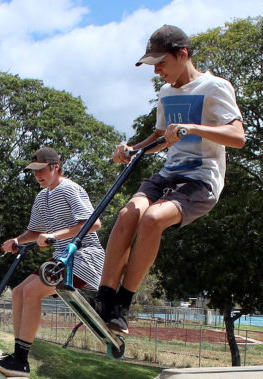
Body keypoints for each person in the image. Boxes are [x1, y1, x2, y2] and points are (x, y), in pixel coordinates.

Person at [94, 24, 245, 334]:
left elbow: (237, 136)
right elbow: (162, 137)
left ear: (182, 54)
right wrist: (132, 150)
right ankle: (104, 299)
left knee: (152, 218)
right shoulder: (165, 93)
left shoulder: (215, 87)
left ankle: (123, 304)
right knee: (128, 214)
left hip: (201, 181)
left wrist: (193, 128)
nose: (157, 71)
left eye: (161, 63)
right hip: (167, 175)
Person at [0, 147, 104, 377]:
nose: (38, 175)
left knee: (32, 291)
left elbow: (94, 223)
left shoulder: (70, 189)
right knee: (19, 292)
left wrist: (55, 236)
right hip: (61, 259)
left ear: (56, 167)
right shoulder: (43, 196)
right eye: (34, 172)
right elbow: (34, 231)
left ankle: (21, 360)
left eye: (42, 170)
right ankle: (17, 354)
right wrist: (16, 241)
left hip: (84, 257)